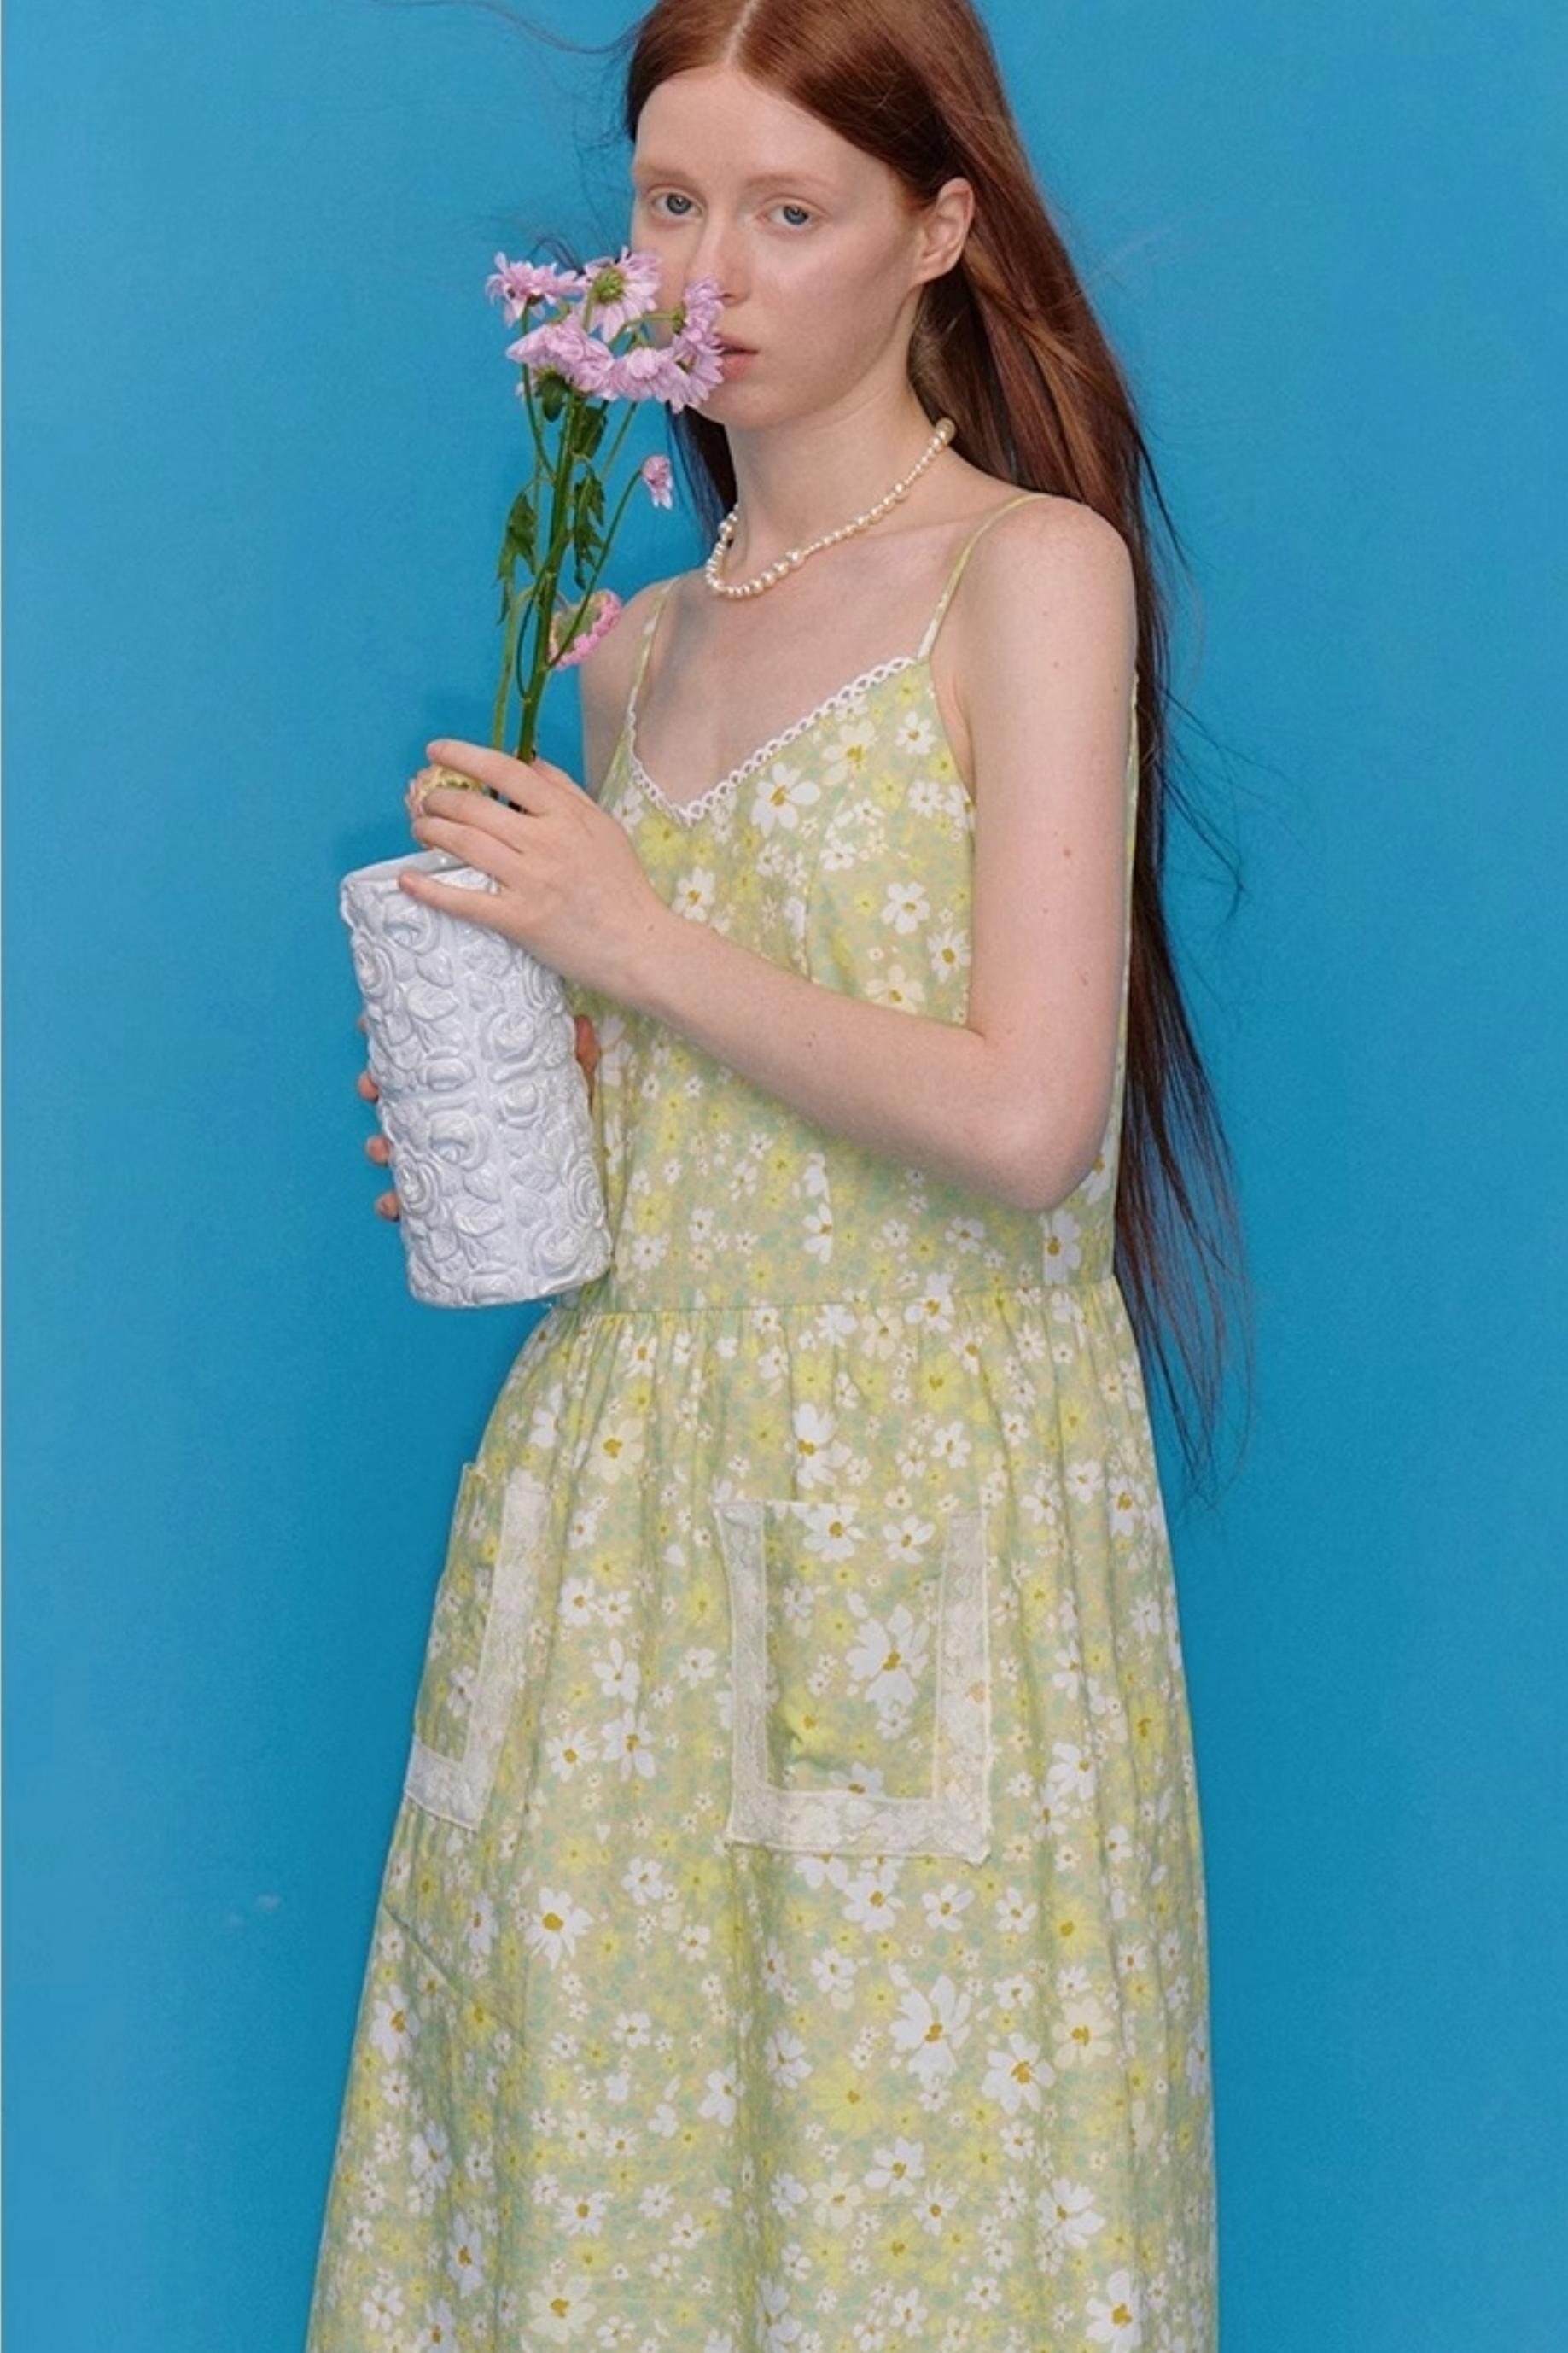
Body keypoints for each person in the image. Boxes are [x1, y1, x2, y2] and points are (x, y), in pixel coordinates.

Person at [311, 8, 1247, 2346]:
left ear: (939, 231)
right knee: (600, 2210)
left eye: (789, 209)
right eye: (669, 202)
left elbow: (1029, 1119)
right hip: (622, 1503)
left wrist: (628, 938)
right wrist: (515, 1117)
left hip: (926, 1508)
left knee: (921, 2217)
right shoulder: (628, 652)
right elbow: (704, 1096)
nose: (706, 274)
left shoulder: (1026, 575)